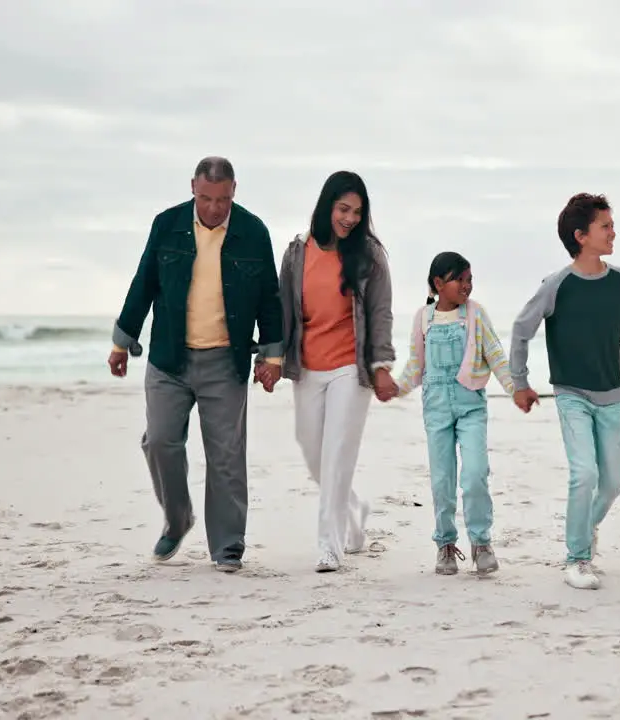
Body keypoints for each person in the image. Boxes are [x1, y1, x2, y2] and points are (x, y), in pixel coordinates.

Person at [108, 156, 284, 573]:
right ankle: (178, 517)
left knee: (226, 456)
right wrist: (121, 341)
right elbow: (144, 283)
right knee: (160, 441)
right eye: (206, 198)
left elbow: (269, 297)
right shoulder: (166, 224)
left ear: (234, 191)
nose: (213, 208)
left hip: (226, 359)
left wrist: (273, 356)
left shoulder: (253, 231)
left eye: (222, 199)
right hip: (170, 358)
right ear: (192, 188)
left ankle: (227, 546)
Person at [510, 193, 620, 590]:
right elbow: (521, 328)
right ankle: (577, 559)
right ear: (581, 236)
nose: (613, 232)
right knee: (584, 473)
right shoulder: (556, 284)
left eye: (612, 225)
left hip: (611, 395)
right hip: (571, 394)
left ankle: (586, 527)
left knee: (613, 483)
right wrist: (520, 381)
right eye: (606, 226)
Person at [257, 170, 396, 573]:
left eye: (357, 211)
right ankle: (354, 508)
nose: (350, 218)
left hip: (350, 369)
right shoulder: (297, 253)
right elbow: (282, 311)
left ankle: (328, 546)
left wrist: (381, 364)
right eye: (343, 209)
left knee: (337, 454)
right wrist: (271, 358)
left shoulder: (369, 255)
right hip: (308, 367)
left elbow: (380, 313)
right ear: (326, 206)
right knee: (313, 452)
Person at [392, 252, 519, 576]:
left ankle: (481, 542)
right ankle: (445, 545)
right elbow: (415, 365)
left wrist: (514, 389)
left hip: (471, 407)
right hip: (436, 409)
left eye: (469, 279)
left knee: (475, 474)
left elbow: (495, 355)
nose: (467, 285)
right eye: (459, 279)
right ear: (438, 283)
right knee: (442, 481)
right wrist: (395, 388)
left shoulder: (476, 315)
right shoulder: (424, 317)